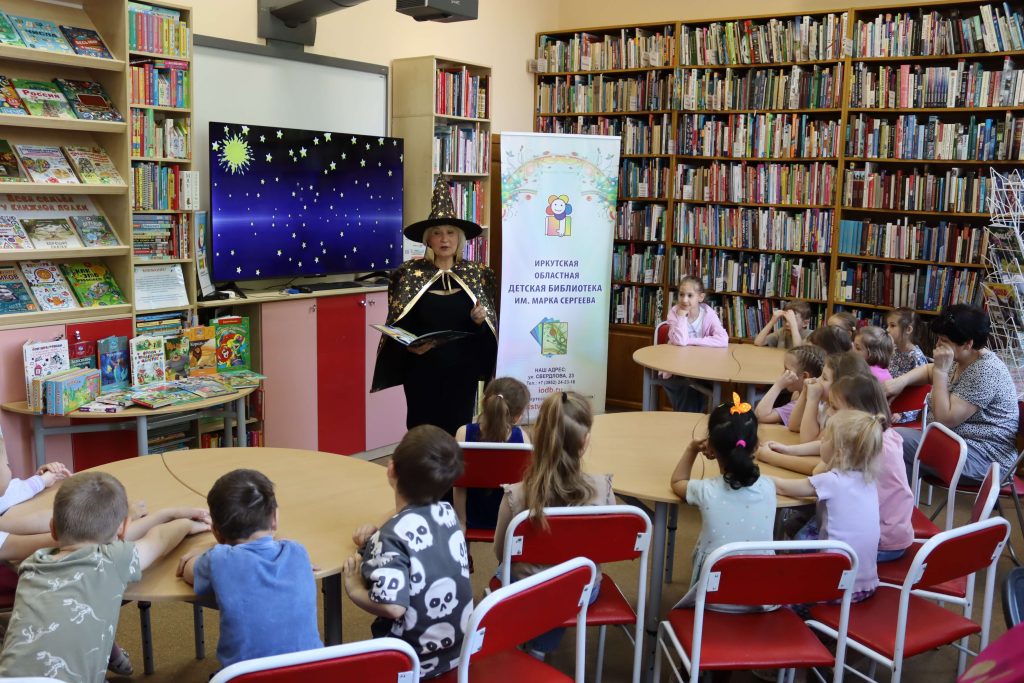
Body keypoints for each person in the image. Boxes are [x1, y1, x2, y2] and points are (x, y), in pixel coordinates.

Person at [0, 471, 209, 682]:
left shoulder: (31, 564)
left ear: (52, 529)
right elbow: (161, 539)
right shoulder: (112, 559)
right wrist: (186, 523)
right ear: (123, 529)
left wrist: (166, 515)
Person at [371, 175, 497, 435]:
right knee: (422, 433)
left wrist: (479, 322)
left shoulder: (478, 275)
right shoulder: (408, 275)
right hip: (422, 372)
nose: (444, 239)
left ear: (460, 238)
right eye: (437, 233)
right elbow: (398, 325)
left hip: (461, 373)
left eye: (450, 232)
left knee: (458, 430)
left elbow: (488, 335)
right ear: (428, 240)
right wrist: (409, 346)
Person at [343, 425, 472, 679]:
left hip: (412, 661)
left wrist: (354, 589)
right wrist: (378, 533)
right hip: (459, 650)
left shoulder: (390, 538)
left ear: (390, 468)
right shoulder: (448, 514)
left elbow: (393, 607)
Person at [492, 391, 614, 658]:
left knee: (510, 572)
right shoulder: (602, 490)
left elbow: (502, 552)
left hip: (527, 589)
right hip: (582, 590)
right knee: (561, 584)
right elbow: (607, 549)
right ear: (585, 441)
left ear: (539, 437)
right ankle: (540, 647)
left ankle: (533, 643)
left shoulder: (515, 495)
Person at [177, 469, 322, 669]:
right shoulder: (298, 552)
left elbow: (187, 570)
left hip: (244, 676)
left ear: (216, 533)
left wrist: (199, 551)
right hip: (312, 672)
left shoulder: (219, 560)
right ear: (274, 519)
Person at [885, 305, 1020, 482]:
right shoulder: (964, 357)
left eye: (944, 341)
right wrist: (899, 382)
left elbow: (945, 419)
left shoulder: (985, 370)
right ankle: (898, 499)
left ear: (968, 343)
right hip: (955, 443)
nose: (937, 345)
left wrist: (941, 372)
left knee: (894, 439)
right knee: (895, 453)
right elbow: (928, 370)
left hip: (984, 459)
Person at [671, 393, 776, 599]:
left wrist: (692, 449)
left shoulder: (706, 490)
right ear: (756, 446)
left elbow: (677, 482)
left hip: (710, 600)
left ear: (710, 447)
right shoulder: (769, 487)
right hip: (760, 599)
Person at [772, 410, 883, 602]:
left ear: (838, 452)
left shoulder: (831, 481)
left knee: (781, 594)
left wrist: (753, 473)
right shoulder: (869, 480)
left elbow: (782, 487)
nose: (820, 442)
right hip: (866, 584)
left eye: (825, 439)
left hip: (835, 589)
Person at [453, 377, 531, 533]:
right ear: (517, 416)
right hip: (509, 522)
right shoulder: (523, 439)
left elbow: (459, 484)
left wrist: (461, 521)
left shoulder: (463, 433)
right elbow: (523, 488)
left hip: (470, 517)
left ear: (484, 403)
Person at [659, 276, 728, 412]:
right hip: (676, 369)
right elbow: (679, 341)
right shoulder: (674, 313)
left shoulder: (708, 313)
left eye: (690, 295)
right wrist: (681, 316)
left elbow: (723, 339)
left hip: (701, 368)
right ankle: (688, 421)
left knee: (700, 389)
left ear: (700, 297)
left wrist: (690, 341)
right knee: (687, 390)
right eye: (681, 295)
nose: (684, 300)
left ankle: (689, 420)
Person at [791, 351, 871, 441]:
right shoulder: (826, 405)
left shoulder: (841, 417)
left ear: (840, 386)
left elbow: (807, 441)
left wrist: (812, 399)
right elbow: (794, 425)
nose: (817, 380)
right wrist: (804, 393)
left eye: (824, 378)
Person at [754, 345, 825, 426]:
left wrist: (778, 385)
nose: (783, 374)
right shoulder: (798, 394)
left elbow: (759, 416)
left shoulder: (798, 406)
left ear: (805, 376)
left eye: (787, 370)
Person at [885, 308, 929, 424]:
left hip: (903, 410)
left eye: (892, 325)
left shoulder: (916, 357)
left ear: (908, 329)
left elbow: (920, 394)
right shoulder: (893, 350)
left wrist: (902, 414)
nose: (887, 330)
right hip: (887, 402)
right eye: (888, 325)